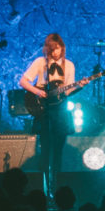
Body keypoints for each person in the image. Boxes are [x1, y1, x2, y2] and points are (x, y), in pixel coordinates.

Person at [19, 33, 87, 195]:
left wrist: (81, 85)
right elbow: (23, 81)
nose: (56, 52)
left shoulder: (69, 65)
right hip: (44, 111)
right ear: (47, 49)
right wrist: (37, 91)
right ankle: (41, 189)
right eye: (52, 49)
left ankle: (56, 188)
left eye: (58, 48)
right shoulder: (40, 62)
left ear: (62, 48)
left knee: (58, 151)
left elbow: (68, 90)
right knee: (45, 151)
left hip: (61, 110)